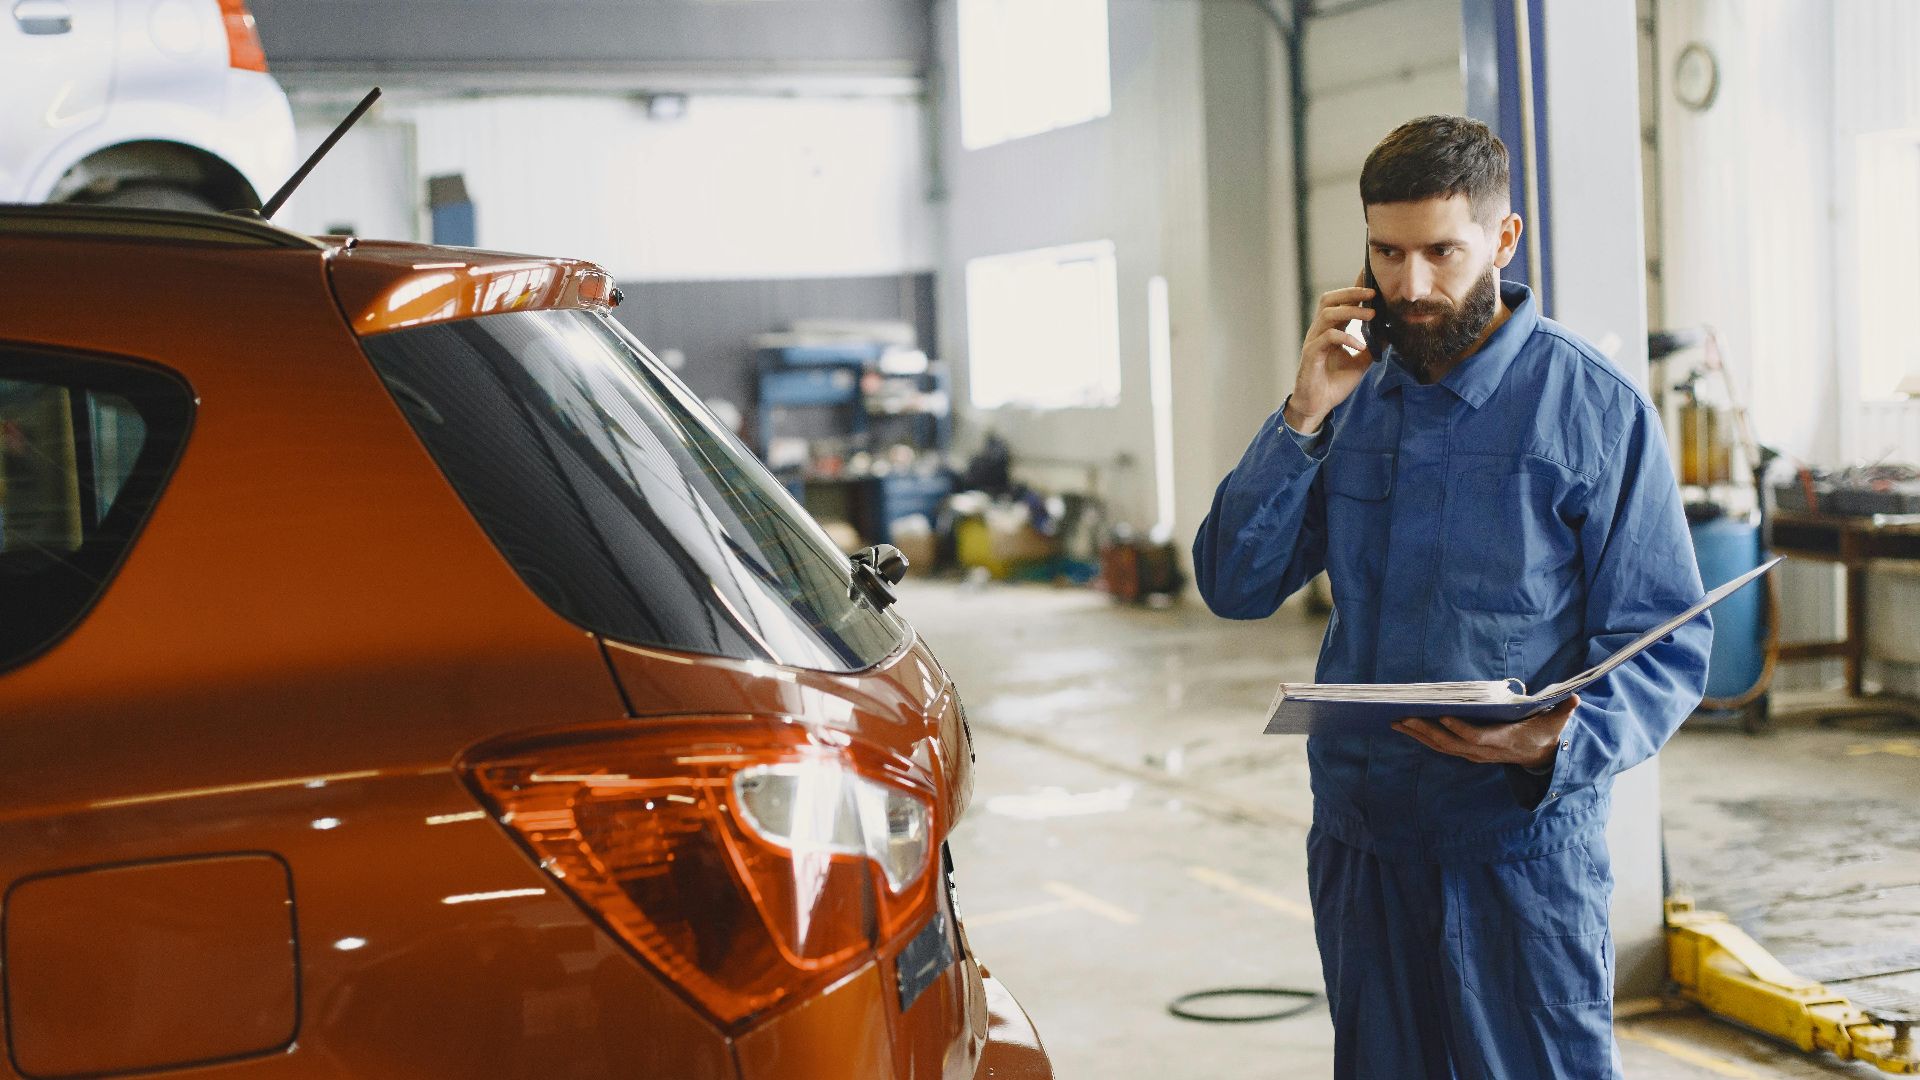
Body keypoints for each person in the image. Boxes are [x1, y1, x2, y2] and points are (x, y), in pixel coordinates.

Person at [1192, 115, 1710, 1079]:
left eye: (1442, 251)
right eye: (1387, 254)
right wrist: (1303, 413)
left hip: (1515, 851)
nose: (1412, 286)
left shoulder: (1592, 412)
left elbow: (1666, 645)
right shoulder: (1350, 399)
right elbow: (1232, 583)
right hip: (1365, 840)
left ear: (1503, 241)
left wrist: (1554, 738)